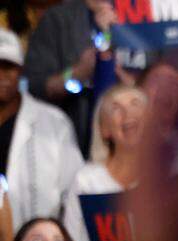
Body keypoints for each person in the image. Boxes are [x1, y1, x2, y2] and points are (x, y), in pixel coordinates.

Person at [60, 83, 148, 241]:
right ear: (104, 129)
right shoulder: (86, 181)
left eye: (135, 104)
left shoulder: (169, 177)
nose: (127, 113)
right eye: (116, 108)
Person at [0, 28, 83, 241]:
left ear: (21, 71)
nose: (1, 76)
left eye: (8, 67)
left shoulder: (54, 123)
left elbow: (74, 197)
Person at [23, 0, 118, 153]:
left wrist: (115, 65)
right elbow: (35, 86)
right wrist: (76, 74)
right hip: (72, 143)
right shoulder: (58, 19)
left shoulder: (141, 13)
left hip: (134, 149)